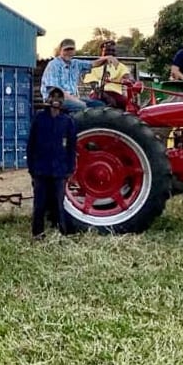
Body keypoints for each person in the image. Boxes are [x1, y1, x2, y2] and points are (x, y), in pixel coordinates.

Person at [26, 86, 77, 241]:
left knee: (58, 205)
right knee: (39, 204)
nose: (56, 100)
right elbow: (31, 144)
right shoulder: (39, 118)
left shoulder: (67, 121)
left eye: (59, 97)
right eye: (53, 97)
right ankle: (37, 234)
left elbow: (71, 147)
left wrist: (70, 168)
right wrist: (32, 168)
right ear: (48, 100)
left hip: (59, 170)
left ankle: (61, 233)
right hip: (41, 169)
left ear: (62, 101)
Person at [40, 38, 118, 112]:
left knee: (99, 105)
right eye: (66, 50)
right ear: (60, 51)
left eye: (71, 49)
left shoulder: (75, 63)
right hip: (56, 98)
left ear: (74, 51)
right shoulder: (54, 65)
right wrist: (77, 100)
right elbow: (57, 91)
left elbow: (93, 63)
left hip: (72, 97)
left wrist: (107, 57)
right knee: (81, 106)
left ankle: (94, 125)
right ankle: (71, 125)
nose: (69, 52)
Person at [82, 40, 134, 110]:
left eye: (113, 51)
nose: (110, 53)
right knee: (93, 104)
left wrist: (130, 80)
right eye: (108, 50)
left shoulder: (120, 66)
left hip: (116, 94)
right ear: (101, 52)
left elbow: (128, 76)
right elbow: (94, 86)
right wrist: (107, 97)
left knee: (130, 106)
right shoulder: (93, 66)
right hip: (98, 94)